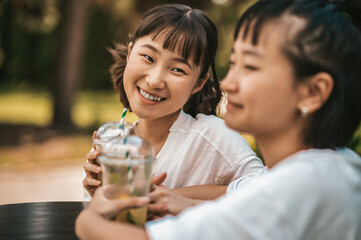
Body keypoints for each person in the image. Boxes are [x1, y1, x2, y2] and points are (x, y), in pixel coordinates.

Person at [76, 0, 361, 239]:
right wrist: (174, 199)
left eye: (250, 66)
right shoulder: (329, 169)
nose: (227, 82)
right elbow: (246, 190)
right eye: (233, 63)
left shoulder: (305, 185)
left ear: (312, 92)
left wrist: (90, 220)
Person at [82, 3, 263, 198]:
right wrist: (98, 196)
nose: (154, 80)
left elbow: (270, 193)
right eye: (148, 57)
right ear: (130, 53)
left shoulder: (213, 137)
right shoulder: (116, 145)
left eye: (177, 69)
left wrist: (173, 196)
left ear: (199, 82)